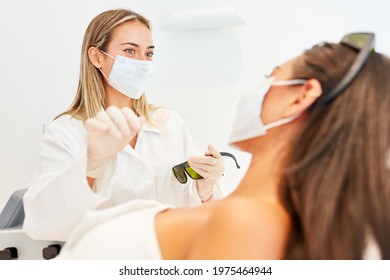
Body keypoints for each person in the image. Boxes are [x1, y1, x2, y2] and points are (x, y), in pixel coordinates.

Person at [57, 32, 390, 259]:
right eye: (130, 50)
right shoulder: (248, 214)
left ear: (300, 97)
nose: (258, 87)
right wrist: (203, 190)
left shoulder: (245, 222)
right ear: (95, 58)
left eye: (271, 75)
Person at [22, 9, 228, 242]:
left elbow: (206, 220)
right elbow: (41, 223)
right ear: (97, 57)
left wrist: (206, 191)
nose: (142, 62)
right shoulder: (66, 132)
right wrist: (91, 166)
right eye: (130, 51)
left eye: (149, 53)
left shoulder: (168, 123)